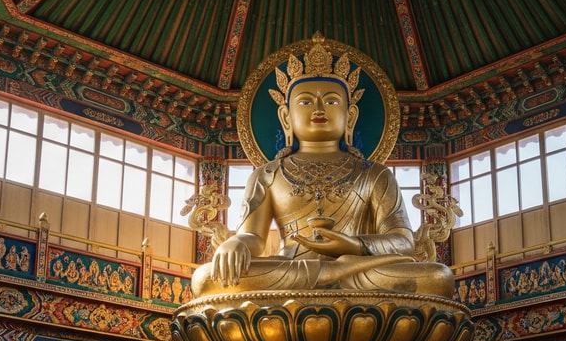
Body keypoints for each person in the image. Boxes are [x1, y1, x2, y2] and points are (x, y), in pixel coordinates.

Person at [190, 34, 454, 298]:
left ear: (350, 116)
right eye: (305, 101)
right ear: (286, 117)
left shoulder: (375, 174)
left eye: (331, 101)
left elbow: (403, 242)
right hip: (292, 269)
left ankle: (336, 275)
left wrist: (352, 245)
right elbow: (254, 238)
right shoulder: (267, 175)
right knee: (205, 278)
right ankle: (331, 277)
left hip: (357, 269)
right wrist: (237, 242)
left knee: (437, 277)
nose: (318, 108)